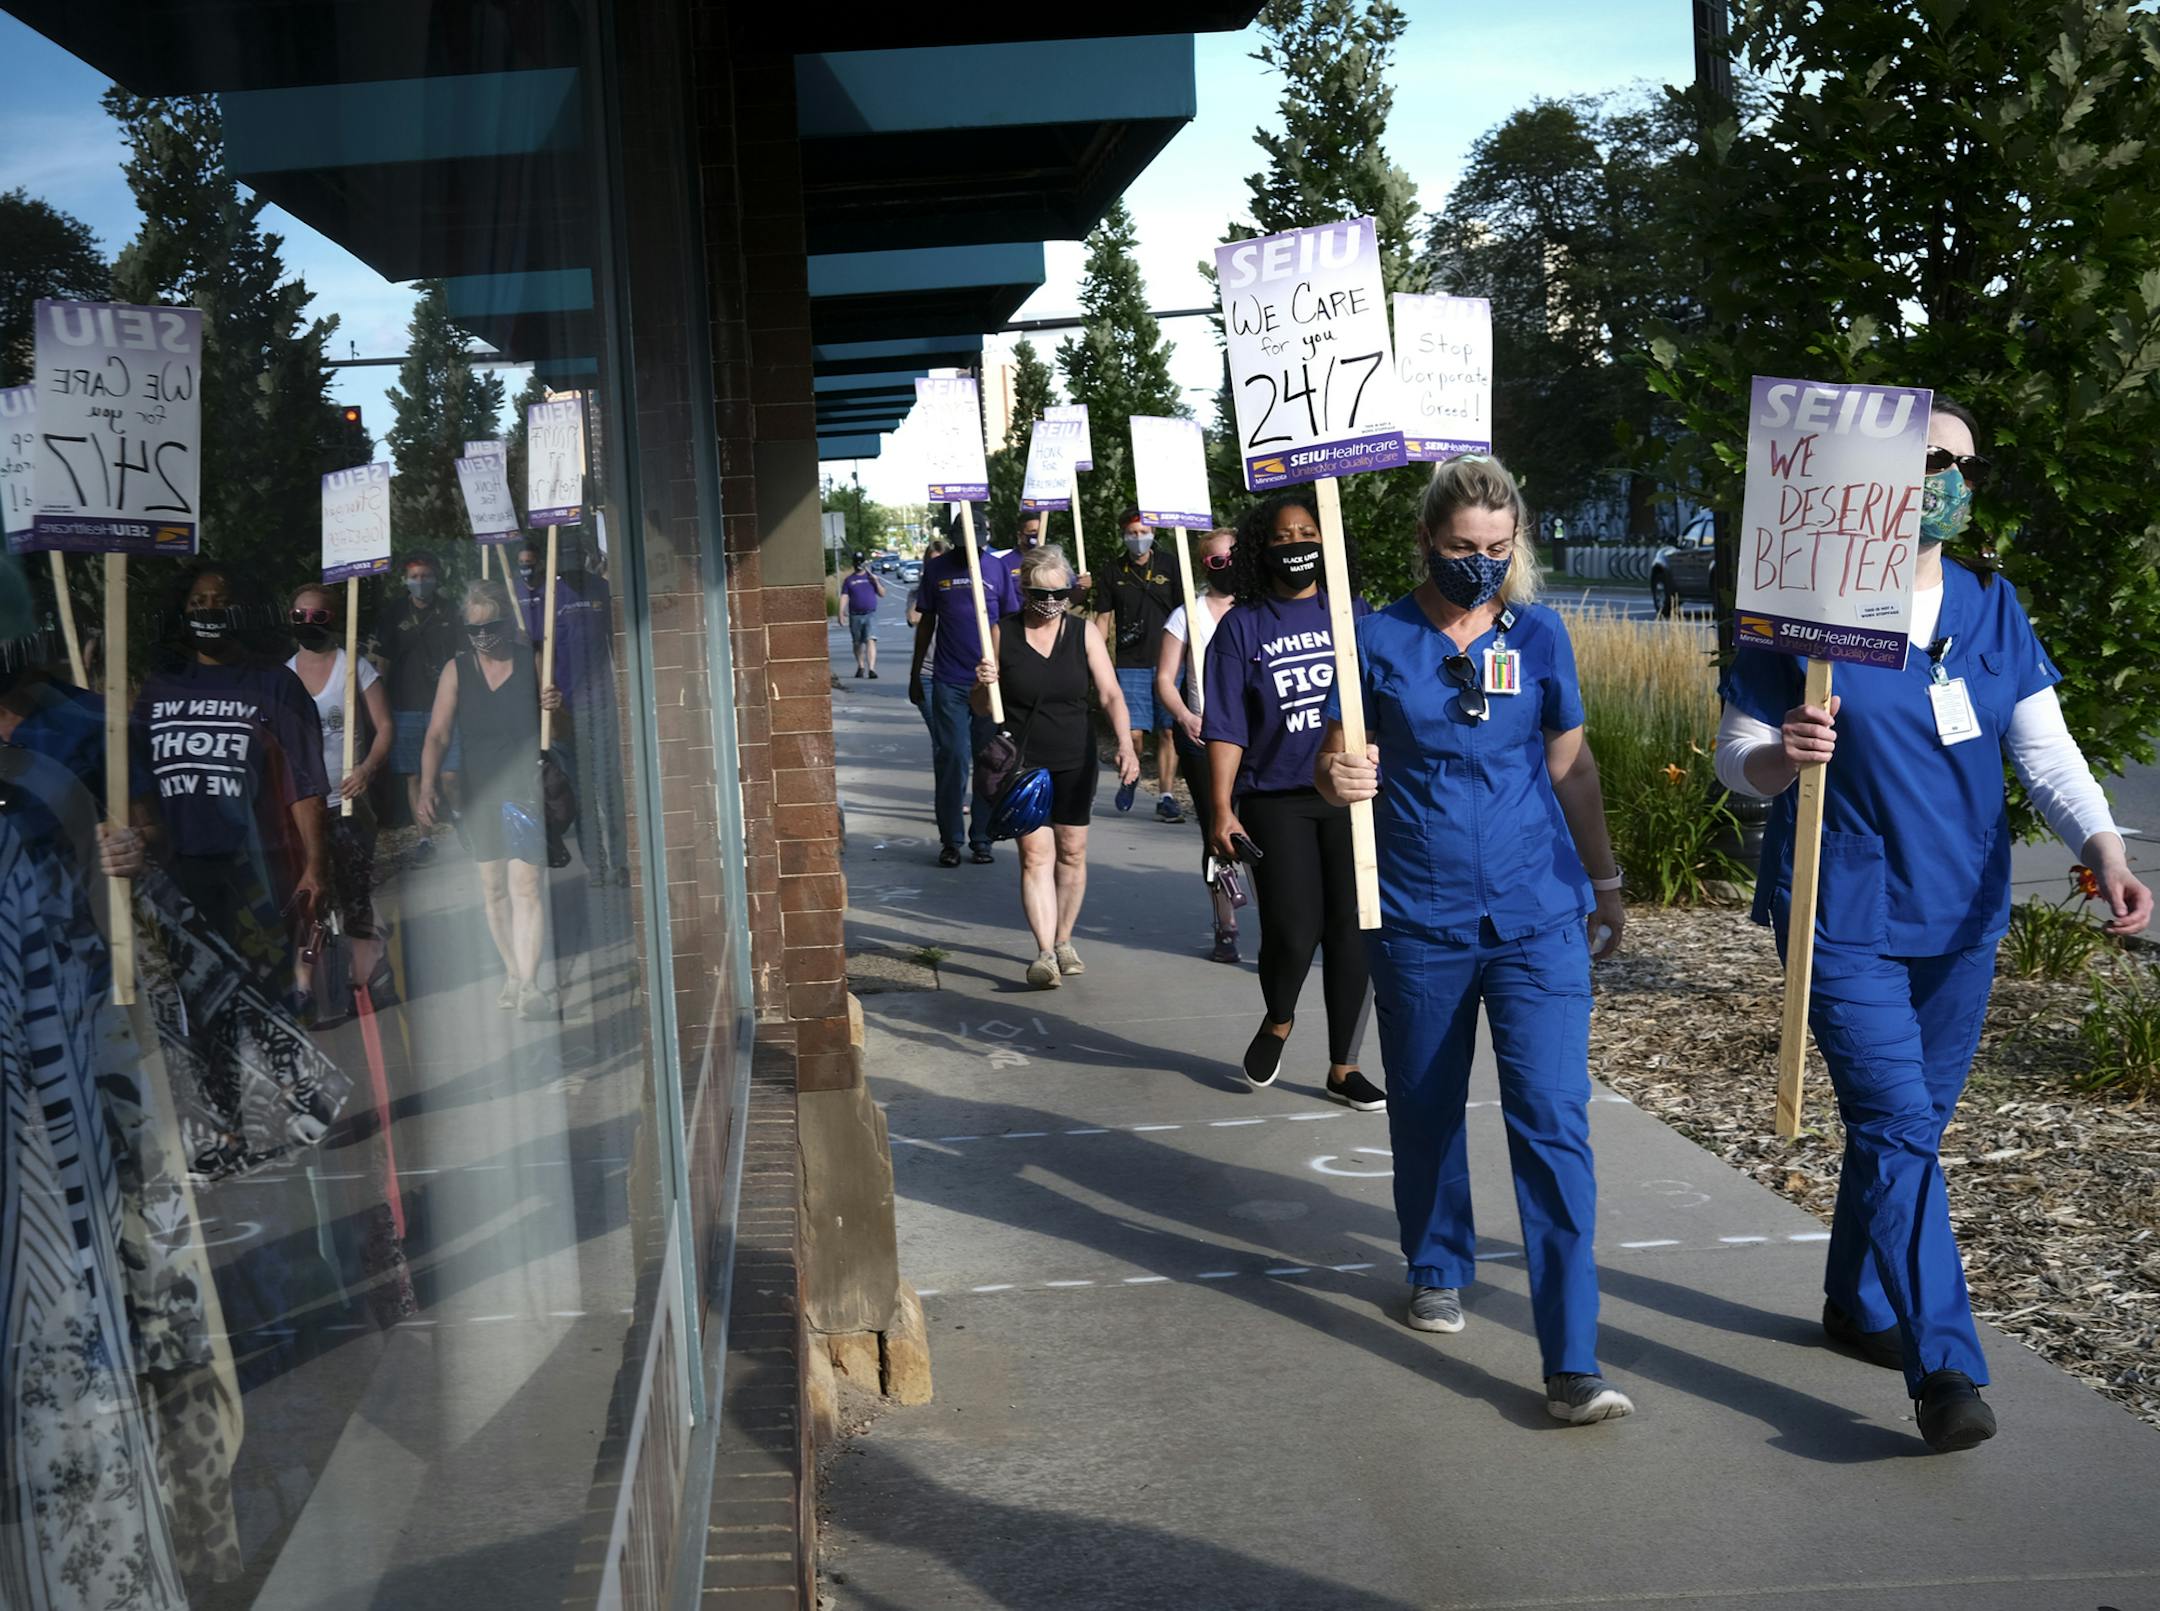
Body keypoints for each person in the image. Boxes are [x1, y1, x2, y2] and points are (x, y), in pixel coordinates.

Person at [1714, 397, 2152, 1453]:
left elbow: (2042, 754)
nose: (1942, 480)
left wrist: (2104, 848)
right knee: (1900, 1121)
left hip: (1961, 915)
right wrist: (1787, 756)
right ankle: (1944, 1365)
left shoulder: (1991, 606)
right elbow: (1738, 753)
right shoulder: (1802, 610)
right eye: (1920, 461)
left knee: (1902, 1127)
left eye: (1957, 462)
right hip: (1842, 911)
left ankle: (1857, 1300)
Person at [1317, 454, 1633, 1427]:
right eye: (1463, 549)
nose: (1482, 565)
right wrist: (1340, 781)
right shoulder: (1370, 637)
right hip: (1420, 916)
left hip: (1538, 916)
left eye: (1498, 549)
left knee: (1552, 1120)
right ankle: (1437, 1262)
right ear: (1427, 540)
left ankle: (1571, 1358)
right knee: (1426, 1105)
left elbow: (1569, 768)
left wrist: (1607, 878)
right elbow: (1335, 762)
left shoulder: (1538, 636)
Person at [1204, 496, 1382, 1111]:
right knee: (1293, 926)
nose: (1298, 542)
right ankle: (1279, 1018)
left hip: (1349, 793)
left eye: (1309, 532)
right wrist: (1220, 809)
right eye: (1285, 534)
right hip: (1273, 795)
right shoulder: (1241, 626)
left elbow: (1387, 702)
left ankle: (1344, 1066)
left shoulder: (1355, 617)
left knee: (1353, 931)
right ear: (1263, 547)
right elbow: (1225, 725)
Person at [133, 564, 331, 973]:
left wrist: (315, 866)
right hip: (180, 871)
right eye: (198, 603)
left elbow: (305, 784)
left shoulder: (275, 684)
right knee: (202, 995)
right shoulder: (160, 687)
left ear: (244, 612)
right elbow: (140, 780)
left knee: (266, 989)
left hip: (257, 870)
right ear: (181, 611)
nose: (209, 612)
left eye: (222, 604)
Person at [971, 546, 1140, 987]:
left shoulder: (1083, 634)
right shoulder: (1002, 633)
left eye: (1059, 593)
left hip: (1076, 758)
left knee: (1072, 851)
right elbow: (981, 707)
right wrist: (981, 682)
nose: (1050, 602)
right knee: (1035, 855)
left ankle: (1065, 939)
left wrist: (1126, 743)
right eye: (1039, 593)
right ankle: (1044, 953)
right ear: (1023, 590)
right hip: (1025, 764)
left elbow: (1110, 694)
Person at [417, 580, 563, 1018]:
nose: (482, 634)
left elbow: (560, 734)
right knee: (494, 889)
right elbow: (438, 733)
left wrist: (556, 708)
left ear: (506, 622)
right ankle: (513, 973)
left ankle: (532, 985)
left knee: (526, 887)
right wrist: (426, 785)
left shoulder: (533, 661)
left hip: (524, 789)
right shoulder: (456, 670)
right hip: (480, 791)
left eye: (491, 624)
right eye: (473, 626)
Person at [288, 581, 394, 996]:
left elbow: (385, 727)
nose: (308, 623)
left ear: (333, 619)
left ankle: (367, 971)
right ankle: (306, 986)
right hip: (302, 808)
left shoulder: (354, 667)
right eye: (300, 616)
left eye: (318, 616)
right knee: (308, 897)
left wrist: (367, 768)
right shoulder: (283, 676)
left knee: (354, 894)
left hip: (348, 804)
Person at [1156, 526, 1242, 963]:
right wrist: (1187, 716)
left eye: (1234, 557)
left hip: (1259, 739)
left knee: (1271, 830)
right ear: (1204, 566)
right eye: (1217, 561)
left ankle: (1285, 923)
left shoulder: (1261, 608)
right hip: (1205, 739)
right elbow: (1165, 680)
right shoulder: (1186, 615)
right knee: (1218, 833)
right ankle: (1224, 923)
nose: (1227, 566)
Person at [910, 527, 1007, 866]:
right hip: (947, 680)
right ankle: (950, 840)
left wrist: (1001, 673)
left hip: (988, 681)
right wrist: (914, 675)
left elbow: (1006, 623)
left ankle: (982, 837)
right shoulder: (937, 570)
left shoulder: (995, 569)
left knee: (988, 761)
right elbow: (926, 624)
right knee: (951, 757)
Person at [374, 550, 462, 864]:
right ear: (405, 580)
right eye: (414, 577)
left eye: (425, 576)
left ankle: (461, 821)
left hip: (446, 704)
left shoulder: (451, 611)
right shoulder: (393, 613)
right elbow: (381, 660)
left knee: (450, 773)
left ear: (436, 577)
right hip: (405, 704)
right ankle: (424, 837)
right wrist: (380, 700)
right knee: (412, 775)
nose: (420, 582)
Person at [1096, 511, 1185, 821]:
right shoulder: (1112, 570)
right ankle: (1131, 776)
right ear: (1123, 534)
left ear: (1153, 531)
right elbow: (1103, 617)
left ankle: (1166, 796)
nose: (1138, 538)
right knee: (1132, 733)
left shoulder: (1171, 565)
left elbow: (1184, 611)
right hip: (1130, 661)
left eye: (1143, 531)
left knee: (1168, 732)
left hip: (1169, 661)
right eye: (1132, 532)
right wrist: (1094, 657)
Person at [840, 552, 886, 679]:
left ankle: (871, 668)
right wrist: (841, 612)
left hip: (870, 614)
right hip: (855, 615)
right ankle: (860, 666)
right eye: (857, 562)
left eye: (860, 562)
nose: (858, 565)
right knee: (857, 643)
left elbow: (882, 593)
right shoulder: (849, 580)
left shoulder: (871, 578)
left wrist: (876, 582)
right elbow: (844, 596)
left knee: (870, 639)